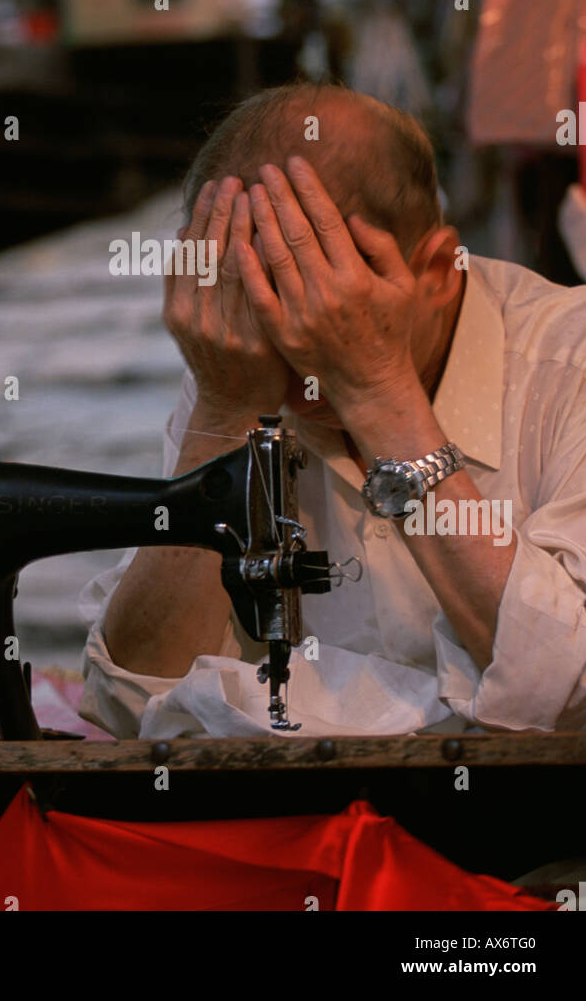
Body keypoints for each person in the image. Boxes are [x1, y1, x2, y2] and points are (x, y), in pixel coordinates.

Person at [78, 81, 586, 738]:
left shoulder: (568, 363)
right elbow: (132, 696)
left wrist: (379, 394)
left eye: (327, 306)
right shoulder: (242, 364)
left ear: (434, 272)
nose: (284, 351)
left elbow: (569, 694)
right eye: (251, 302)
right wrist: (222, 412)